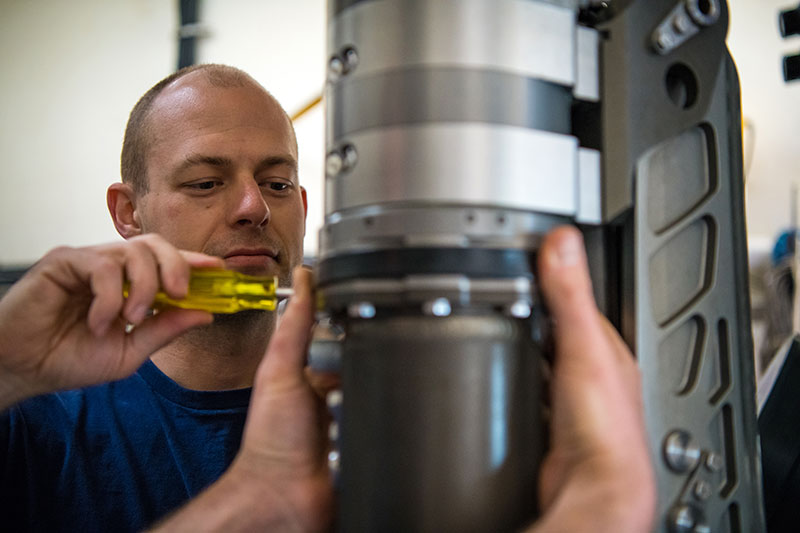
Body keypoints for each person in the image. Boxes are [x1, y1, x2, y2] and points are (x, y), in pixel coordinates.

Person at [0, 64, 655, 532]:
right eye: (205, 182)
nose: (254, 206)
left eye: (278, 182)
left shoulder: (378, 405)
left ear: (305, 207)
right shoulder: (38, 414)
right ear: (128, 211)